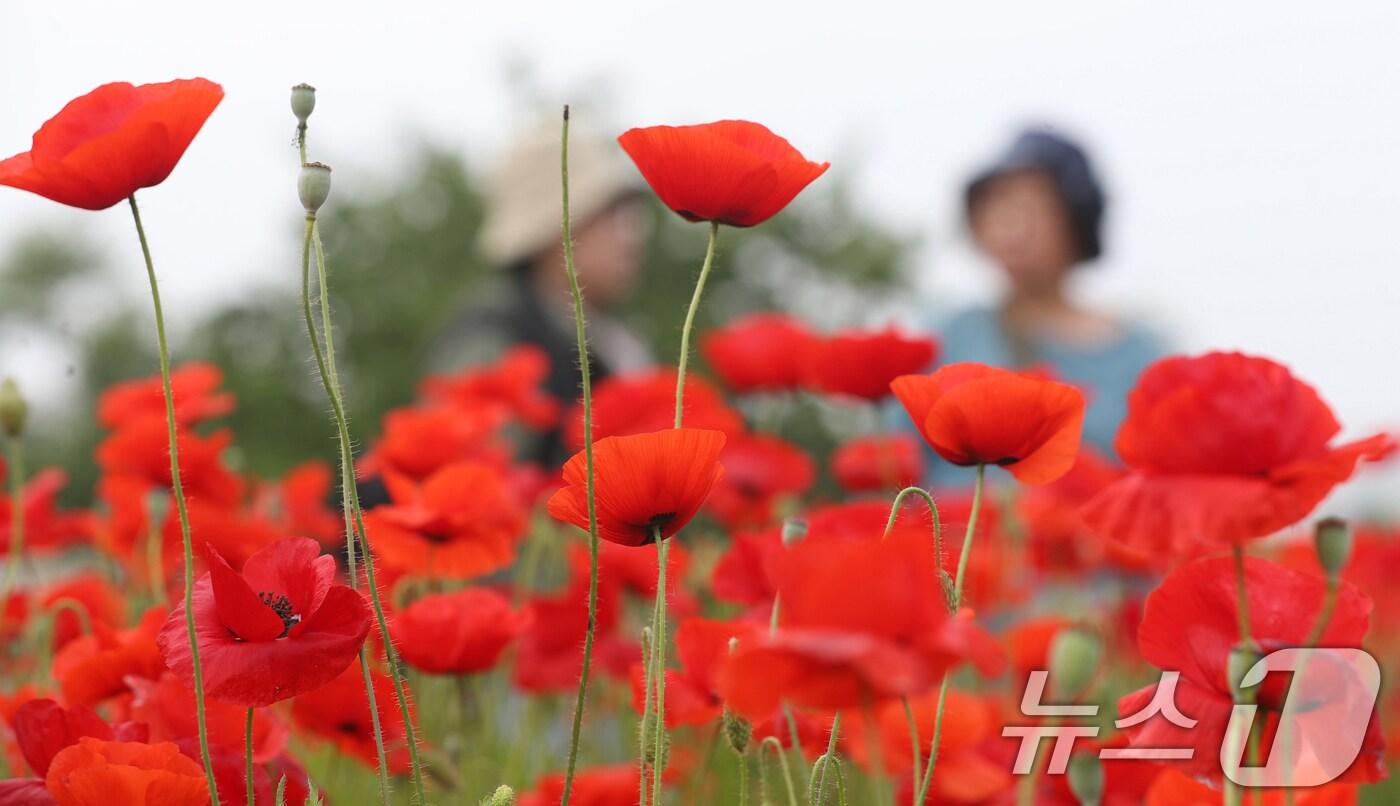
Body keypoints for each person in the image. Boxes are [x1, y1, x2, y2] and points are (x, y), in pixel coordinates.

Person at [929, 127, 1166, 472]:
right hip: (958, 526)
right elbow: (897, 464)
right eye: (998, 208)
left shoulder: (1140, 354)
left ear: (1077, 221)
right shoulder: (951, 336)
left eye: (1032, 209)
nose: (1012, 229)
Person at [429, 122, 653, 463]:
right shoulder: (496, 337)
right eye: (606, 216)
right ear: (553, 229)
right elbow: (469, 481)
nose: (630, 237)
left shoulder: (615, 342)